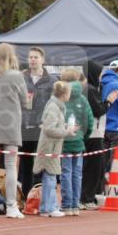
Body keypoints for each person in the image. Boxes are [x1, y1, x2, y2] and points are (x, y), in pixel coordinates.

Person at [0, 42, 30, 219]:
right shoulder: (16, 75)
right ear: (12, 55)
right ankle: (11, 206)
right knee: (10, 166)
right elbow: (26, 102)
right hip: (10, 123)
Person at [33, 80, 77, 217]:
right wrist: (67, 131)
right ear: (64, 94)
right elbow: (49, 129)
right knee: (50, 177)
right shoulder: (54, 107)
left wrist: (65, 128)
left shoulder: (56, 106)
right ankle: (48, 207)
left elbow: (51, 127)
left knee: (50, 176)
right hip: (49, 148)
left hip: (51, 146)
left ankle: (47, 207)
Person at [20, 47, 56, 198]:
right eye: (30, 57)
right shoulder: (21, 77)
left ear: (43, 60)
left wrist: (48, 122)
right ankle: (27, 196)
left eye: (36, 57)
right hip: (24, 125)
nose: (33, 60)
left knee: (41, 161)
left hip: (42, 126)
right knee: (25, 162)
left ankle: (41, 196)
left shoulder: (51, 81)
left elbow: (54, 103)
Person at [59, 73, 93, 215]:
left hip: (64, 140)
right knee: (77, 174)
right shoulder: (83, 98)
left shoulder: (61, 97)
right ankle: (75, 205)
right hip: (78, 140)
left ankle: (67, 205)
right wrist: (83, 136)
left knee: (66, 173)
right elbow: (89, 121)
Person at [81, 61, 106, 208]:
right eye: (100, 73)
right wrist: (108, 102)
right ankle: (86, 198)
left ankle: (89, 197)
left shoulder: (92, 88)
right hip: (93, 134)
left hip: (96, 133)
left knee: (96, 167)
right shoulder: (90, 89)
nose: (102, 76)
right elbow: (98, 110)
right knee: (93, 167)